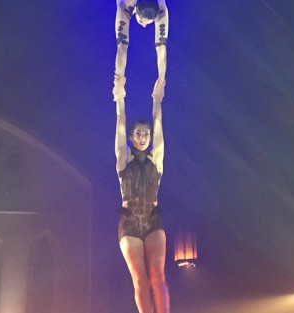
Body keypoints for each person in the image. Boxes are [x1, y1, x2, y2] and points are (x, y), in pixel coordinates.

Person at [112, 2, 169, 312]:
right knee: (140, 281)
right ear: (132, 139)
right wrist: (119, 96)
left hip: (153, 217)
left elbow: (158, 123)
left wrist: (157, 98)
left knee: (158, 275)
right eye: (139, 134)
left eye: (146, 134)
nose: (144, 137)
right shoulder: (124, 160)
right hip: (129, 223)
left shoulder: (157, 158)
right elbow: (120, 122)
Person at [113, 0, 168, 101]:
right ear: (136, 10)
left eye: (149, 22)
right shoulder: (124, 6)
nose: (144, 26)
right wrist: (118, 82)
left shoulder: (161, 9)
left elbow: (161, 49)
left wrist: (161, 81)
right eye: (142, 21)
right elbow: (121, 48)